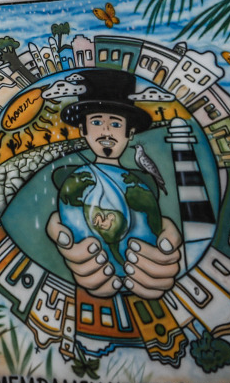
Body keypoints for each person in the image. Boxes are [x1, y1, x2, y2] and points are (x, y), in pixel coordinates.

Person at [44, 69, 182, 300]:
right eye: (97, 122)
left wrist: (160, 228)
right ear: (83, 130)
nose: (106, 131)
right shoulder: (71, 178)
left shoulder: (141, 183)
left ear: (130, 133)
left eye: (116, 124)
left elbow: (155, 223)